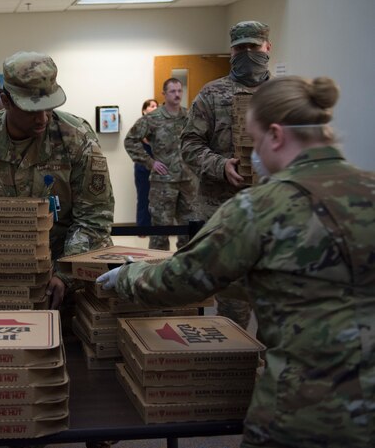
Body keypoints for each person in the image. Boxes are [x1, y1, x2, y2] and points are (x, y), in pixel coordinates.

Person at [99, 76, 374, 448]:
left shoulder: (261, 205)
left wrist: (126, 276)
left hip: (310, 410)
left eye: (253, 140)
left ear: (275, 135)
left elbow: (181, 280)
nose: (252, 154)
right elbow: (309, 275)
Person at [0, 51, 114, 310]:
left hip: (63, 274)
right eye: (31, 110)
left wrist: (65, 273)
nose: (42, 118)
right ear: (6, 101)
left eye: (48, 107)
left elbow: (95, 218)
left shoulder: (77, 139)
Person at [179, 20, 272, 329]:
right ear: (231, 52)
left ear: (267, 48)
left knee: (278, 300)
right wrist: (221, 166)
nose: (247, 53)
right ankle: (237, 370)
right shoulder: (212, 93)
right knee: (233, 305)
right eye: (240, 48)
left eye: (253, 47)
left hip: (275, 210)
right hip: (224, 211)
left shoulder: (283, 95)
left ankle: (275, 369)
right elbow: (189, 145)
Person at [125, 79, 194, 250]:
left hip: (188, 181)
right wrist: (150, 162)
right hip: (163, 182)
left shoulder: (189, 116)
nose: (177, 94)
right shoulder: (153, 118)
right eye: (172, 91)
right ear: (164, 94)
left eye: (179, 91)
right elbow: (130, 140)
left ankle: (184, 267)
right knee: (160, 231)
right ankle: (157, 270)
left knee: (190, 229)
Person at [127, 99, 157, 232]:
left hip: (159, 168)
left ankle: (156, 228)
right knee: (144, 197)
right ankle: (143, 228)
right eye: (152, 106)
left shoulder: (160, 125)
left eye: (156, 106)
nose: (155, 108)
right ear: (144, 110)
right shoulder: (140, 125)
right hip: (143, 167)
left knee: (158, 199)